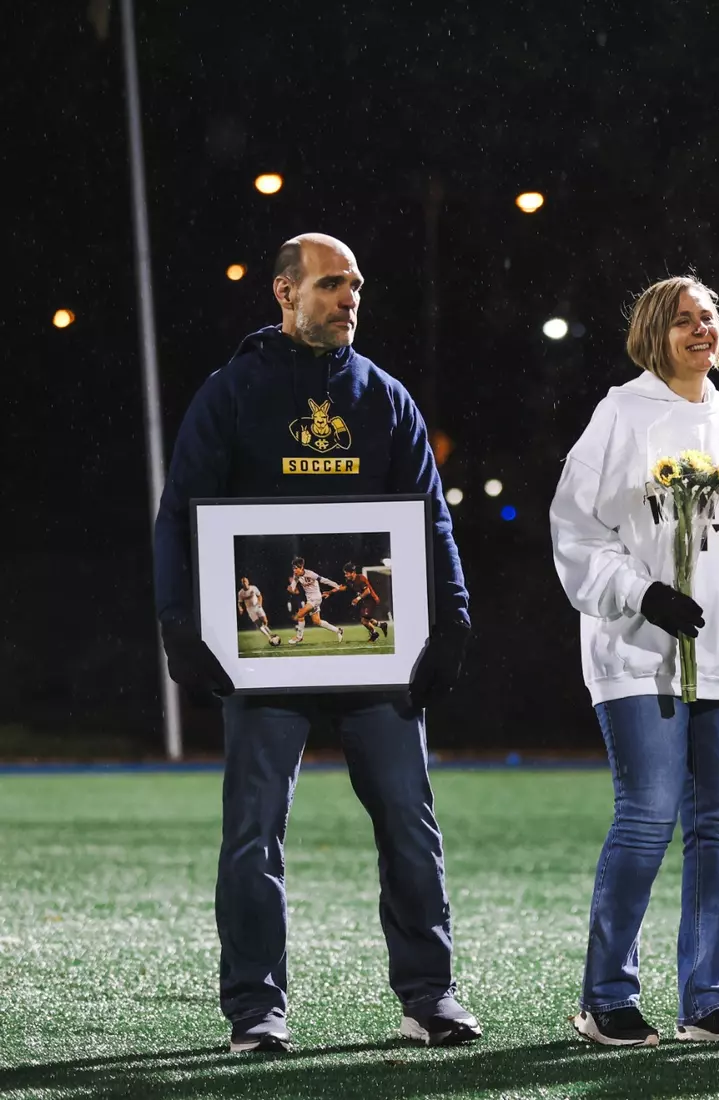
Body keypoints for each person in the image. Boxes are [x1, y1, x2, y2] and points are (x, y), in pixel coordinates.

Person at [153, 233, 478, 1053]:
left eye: (357, 286)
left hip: (381, 657)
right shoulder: (232, 393)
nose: (349, 300)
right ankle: (256, 1010)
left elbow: (430, 517)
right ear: (284, 293)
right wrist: (179, 624)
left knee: (410, 820)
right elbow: (181, 516)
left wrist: (455, 615)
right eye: (332, 285)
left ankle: (429, 997)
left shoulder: (385, 397)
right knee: (254, 830)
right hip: (265, 661)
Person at [550, 276, 719, 1047]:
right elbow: (575, 531)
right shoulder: (621, 415)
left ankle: (706, 1001)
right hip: (638, 653)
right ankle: (606, 998)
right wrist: (642, 593)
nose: (699, 329)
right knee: (646, 818)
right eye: (682, 320)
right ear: (652, 333)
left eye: (708, 317)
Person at [286, 557, 346, 644]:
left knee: (300, 614)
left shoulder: (310, 574)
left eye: (296, 568)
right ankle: (338, 630)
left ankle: (299, 637)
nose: (294, 571)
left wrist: (336, 586)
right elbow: (293, 587)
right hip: (310, 599)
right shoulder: (296, 575)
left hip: (316, 598)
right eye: (293, 569)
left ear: (301, 567)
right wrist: (291, 589)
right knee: (316, 621)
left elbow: (324, 580)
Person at [344, 562, 389, 642]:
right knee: (366, 619)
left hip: (371, 600)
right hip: (365, 601)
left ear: (353, 573)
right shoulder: (350, 581)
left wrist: (357, 599)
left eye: (347, 573)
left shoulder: (360, 578)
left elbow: (367, 591)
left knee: (364, 621)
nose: (345, 575)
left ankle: (375, 634)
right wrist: (331, 591)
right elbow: (344, 588)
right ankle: (382, 625)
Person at [237, 577, 280, 647]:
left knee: (265, 621)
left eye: (245, 581)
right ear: (241, 584)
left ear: (248, 582)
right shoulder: (240, 593)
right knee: (259, 624)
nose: (244, 583)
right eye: (243, 582)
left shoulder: (253, 588)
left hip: (257, 606)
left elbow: (259, 596)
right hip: (250, 609)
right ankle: (269, 637)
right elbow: (240, 602)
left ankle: (270, 633)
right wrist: (240, 608)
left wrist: (260, 603)